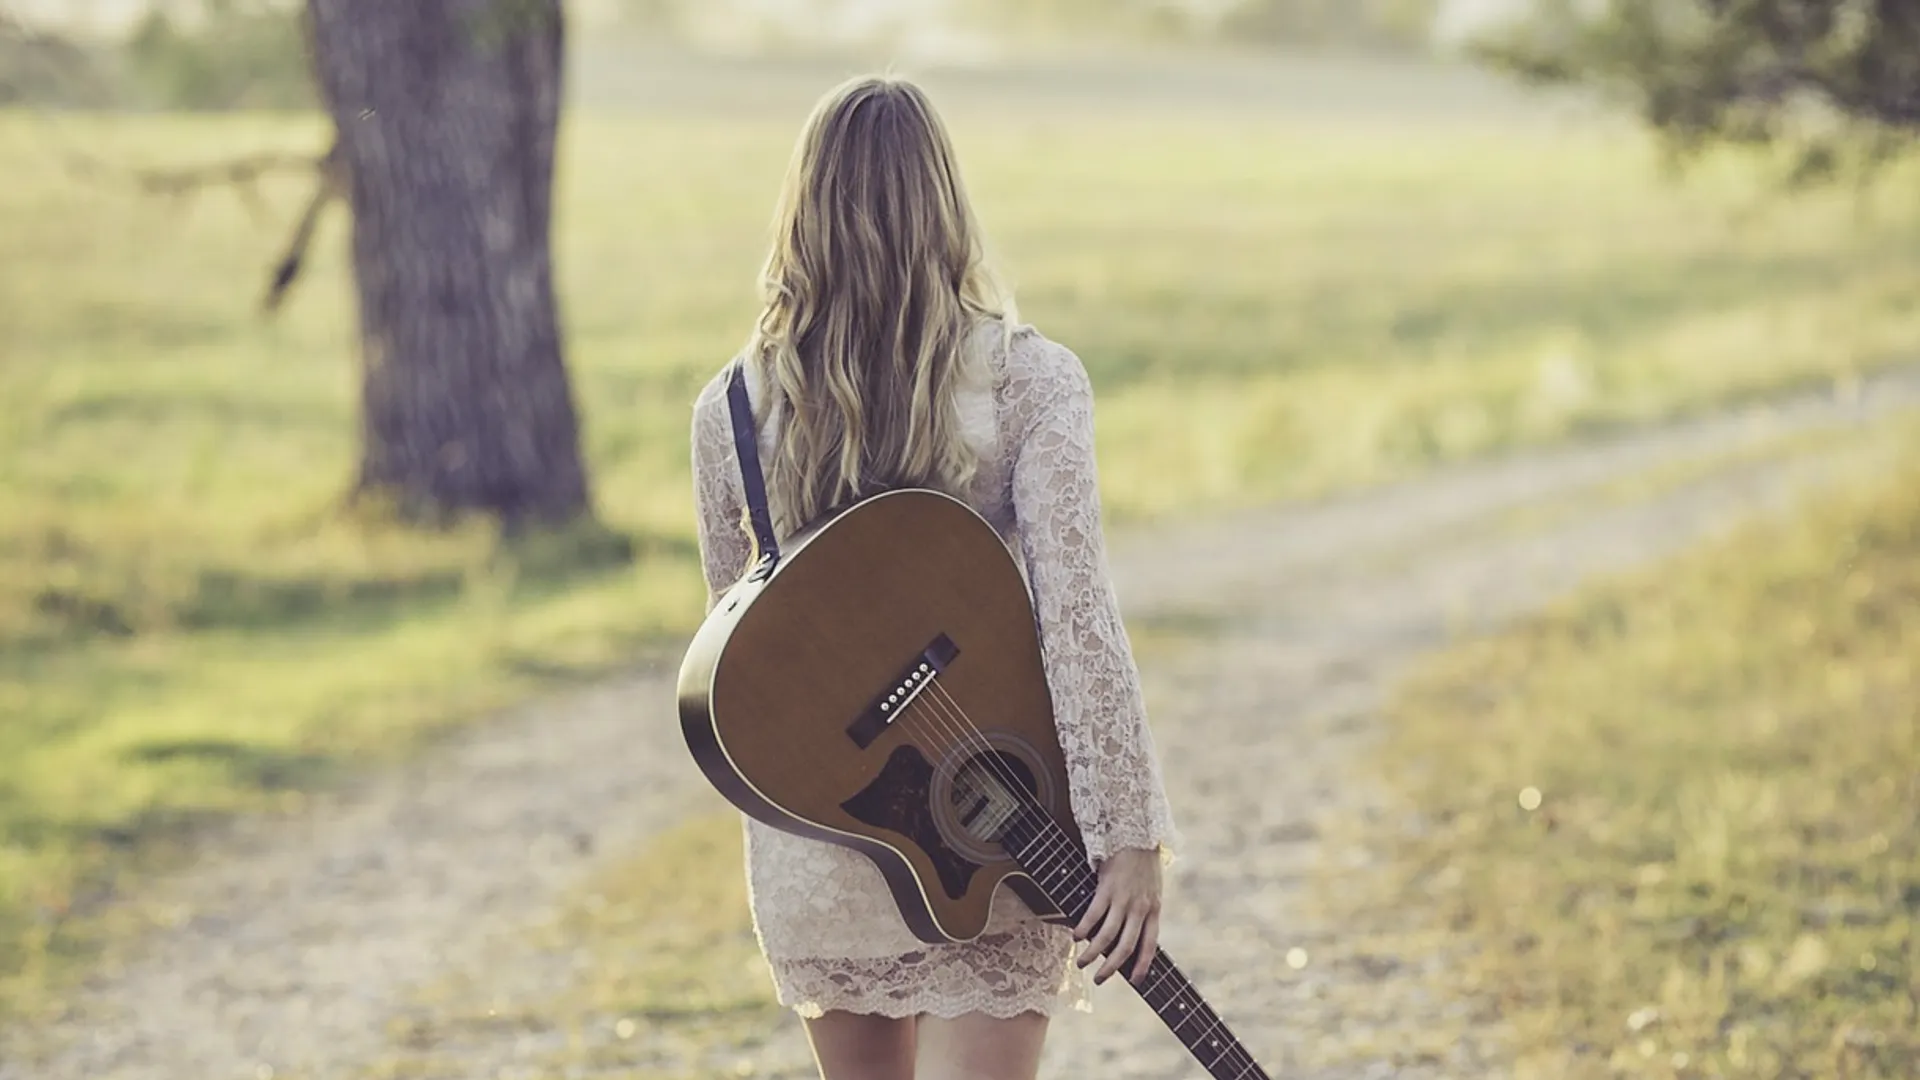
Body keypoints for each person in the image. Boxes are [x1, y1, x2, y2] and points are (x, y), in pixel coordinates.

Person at [688, 73, 1180, 1080]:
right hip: (986, 835)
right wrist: (1130, 834)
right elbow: (1077, 623)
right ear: (945, 205)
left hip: (823, 841)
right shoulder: (1028, 380)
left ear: (803, 209)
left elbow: (744, 657)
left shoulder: (731, 409)